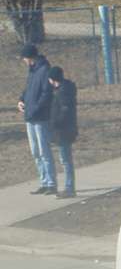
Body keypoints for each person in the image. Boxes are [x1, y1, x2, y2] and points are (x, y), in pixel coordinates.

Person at [17, 43, 54, 193]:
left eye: (24, 58)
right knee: (35, 151)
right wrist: (21, 99)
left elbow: (46, 94)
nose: (24, 61)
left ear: (30, 57)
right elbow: (28, 89)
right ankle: (43, 181)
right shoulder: (32, 71)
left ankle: (51, 183)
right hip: (30, 117)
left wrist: (35, 108)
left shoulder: (44, 70)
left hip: (40, 117)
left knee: (44, 151)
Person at [46, 62, 76, 197]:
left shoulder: (62, 92)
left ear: (53, 79)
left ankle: (69, 188)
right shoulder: (65, 89)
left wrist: (55, 123)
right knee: (66, 159)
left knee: (65, 160)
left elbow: (64, 111)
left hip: (63, 130)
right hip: (66, 129)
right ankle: (69, 187)